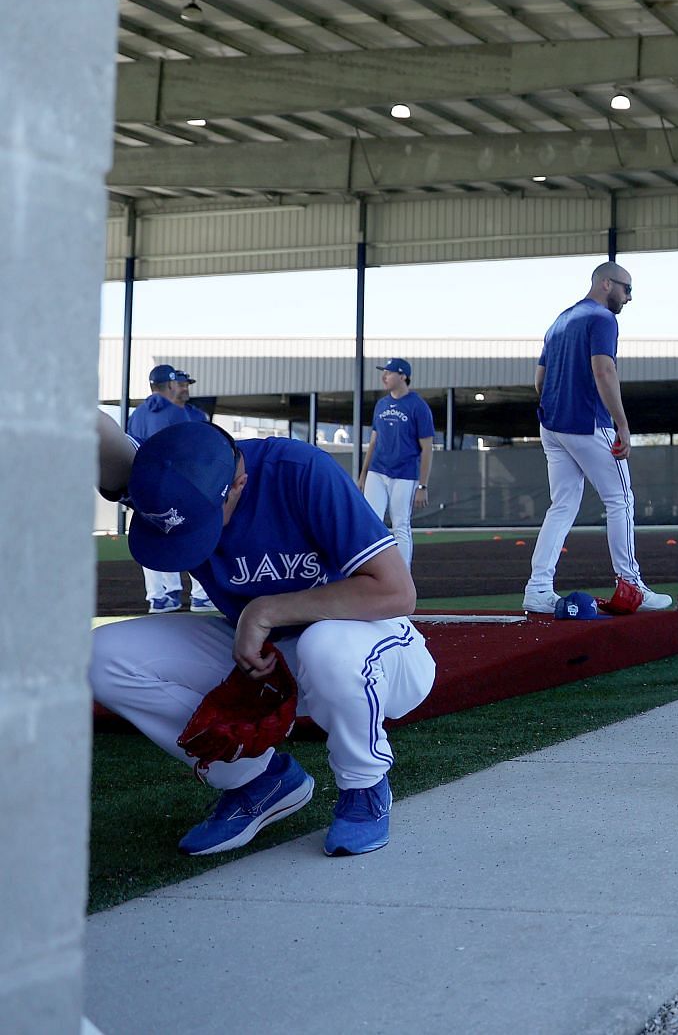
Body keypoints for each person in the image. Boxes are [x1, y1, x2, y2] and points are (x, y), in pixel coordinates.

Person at [90, 414, 436, 856]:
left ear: (238, 484)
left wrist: (266, 610)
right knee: (100, 657)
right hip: (263, 662)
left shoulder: (297, 470)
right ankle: (259, 781)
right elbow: (94, 430)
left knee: (324, 645)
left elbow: (395, 591)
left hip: (371, 650)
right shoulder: (168, 473)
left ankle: (364, 785)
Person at [522, 261, 674, 615]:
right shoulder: (603, 319)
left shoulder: (559, 321)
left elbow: (540, 379)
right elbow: (604, 370)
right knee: (620, 500)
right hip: (588, 423)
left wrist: (555, 407)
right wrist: (622, 424)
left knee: (561, 507)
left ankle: (538, 588)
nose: (629, 297)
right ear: (606, 284)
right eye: (626, 288)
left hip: (553, 424)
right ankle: (631, 584)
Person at [126, 363, 215, 613]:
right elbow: (189, 453)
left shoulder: (138, 414)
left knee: (154, 539)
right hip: (177, 485)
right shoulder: (177, 414)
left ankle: (161, 597)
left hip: (144, 486)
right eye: (182, 383)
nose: (186, 387)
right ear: (170, 385)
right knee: (194, 535)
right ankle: (200, 596)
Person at [359, 358, 435, 567]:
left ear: (403, 376)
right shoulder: (381, 404)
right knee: (371, 522)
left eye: (389, 372)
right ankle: (373, 572)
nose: (384, 376)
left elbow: (427, 448)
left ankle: (402, 578)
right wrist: (363, 475)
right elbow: (374, 441)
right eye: (384, 372)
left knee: (400, 524)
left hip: (405, 474)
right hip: (378, 471)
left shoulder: (418, 406)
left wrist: (422, 485)